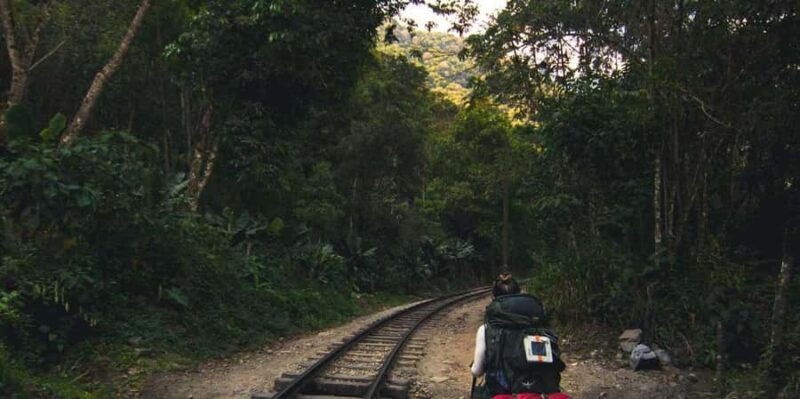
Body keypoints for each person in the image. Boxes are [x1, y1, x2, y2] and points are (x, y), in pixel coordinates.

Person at [471, 273, 572, 399]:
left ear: (494, 298)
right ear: (519, 293)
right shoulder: (540, 326)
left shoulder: (486, 329)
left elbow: (476, 371)